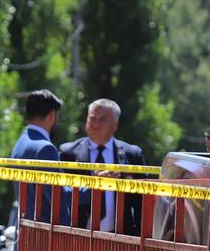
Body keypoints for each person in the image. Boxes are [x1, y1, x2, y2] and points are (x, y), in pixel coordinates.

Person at [60, 99, 146, 235]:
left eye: (102, 120)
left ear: (115, 125)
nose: (95, 124)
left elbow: (142, 203)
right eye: (92, 118)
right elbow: (61, 196)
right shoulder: (67, 153)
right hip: (79, 236)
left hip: (121, 239)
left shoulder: (132, 155)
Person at [11, 89, 71, 226]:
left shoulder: (20, 143)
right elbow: (59, 197)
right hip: (45, 238)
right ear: (51, 115)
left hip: (26, 233)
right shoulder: (45, 148)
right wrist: (95, 186)